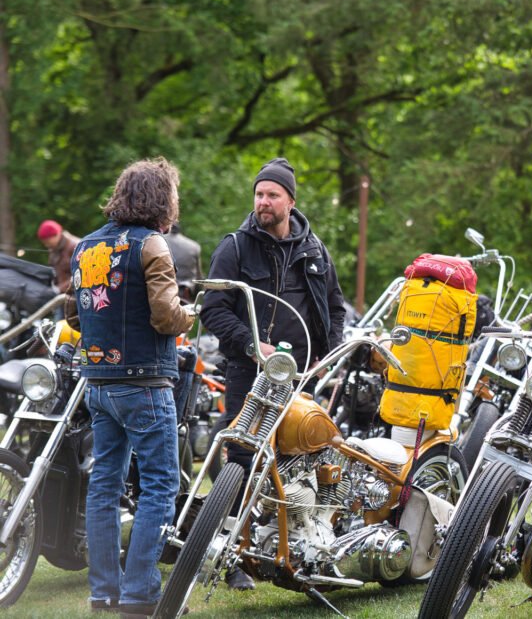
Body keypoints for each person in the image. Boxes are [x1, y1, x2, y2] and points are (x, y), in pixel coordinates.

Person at [199, 157, 347, 590]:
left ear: (290, 201)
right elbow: (213, 309)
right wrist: (251, 344)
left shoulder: (314, 249)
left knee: (300, 459)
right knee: (242, 459)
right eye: (259, 194)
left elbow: (334, 307)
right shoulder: (235, 247)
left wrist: (329, 352)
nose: (263, 202)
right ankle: (232, 557)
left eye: (272, 195)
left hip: (302, 376)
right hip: (249, 370)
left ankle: (301, 545)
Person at [65, 158, 194, 618]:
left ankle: (104, 594)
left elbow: (73, 316)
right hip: (144, 382)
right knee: (160, 485)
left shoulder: (86, 245)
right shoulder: (152, 244)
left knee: (103, 487)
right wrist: (190, 314)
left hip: (98, 382)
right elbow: (165, 314)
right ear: (163, 199)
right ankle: (140, 595)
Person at [37, 219, 80, 293]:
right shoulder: (54, 249)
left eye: (47, 241)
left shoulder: (76, 246)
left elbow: (81, 274)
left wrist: (59, 289)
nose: (46, 245)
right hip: (63, 296)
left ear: (56, 235)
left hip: (76, 294)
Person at [163, 222, 203, 301]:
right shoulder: (194, 246)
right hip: (184, 294)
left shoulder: (156, 242)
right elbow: (198, 277)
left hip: (161, 292)